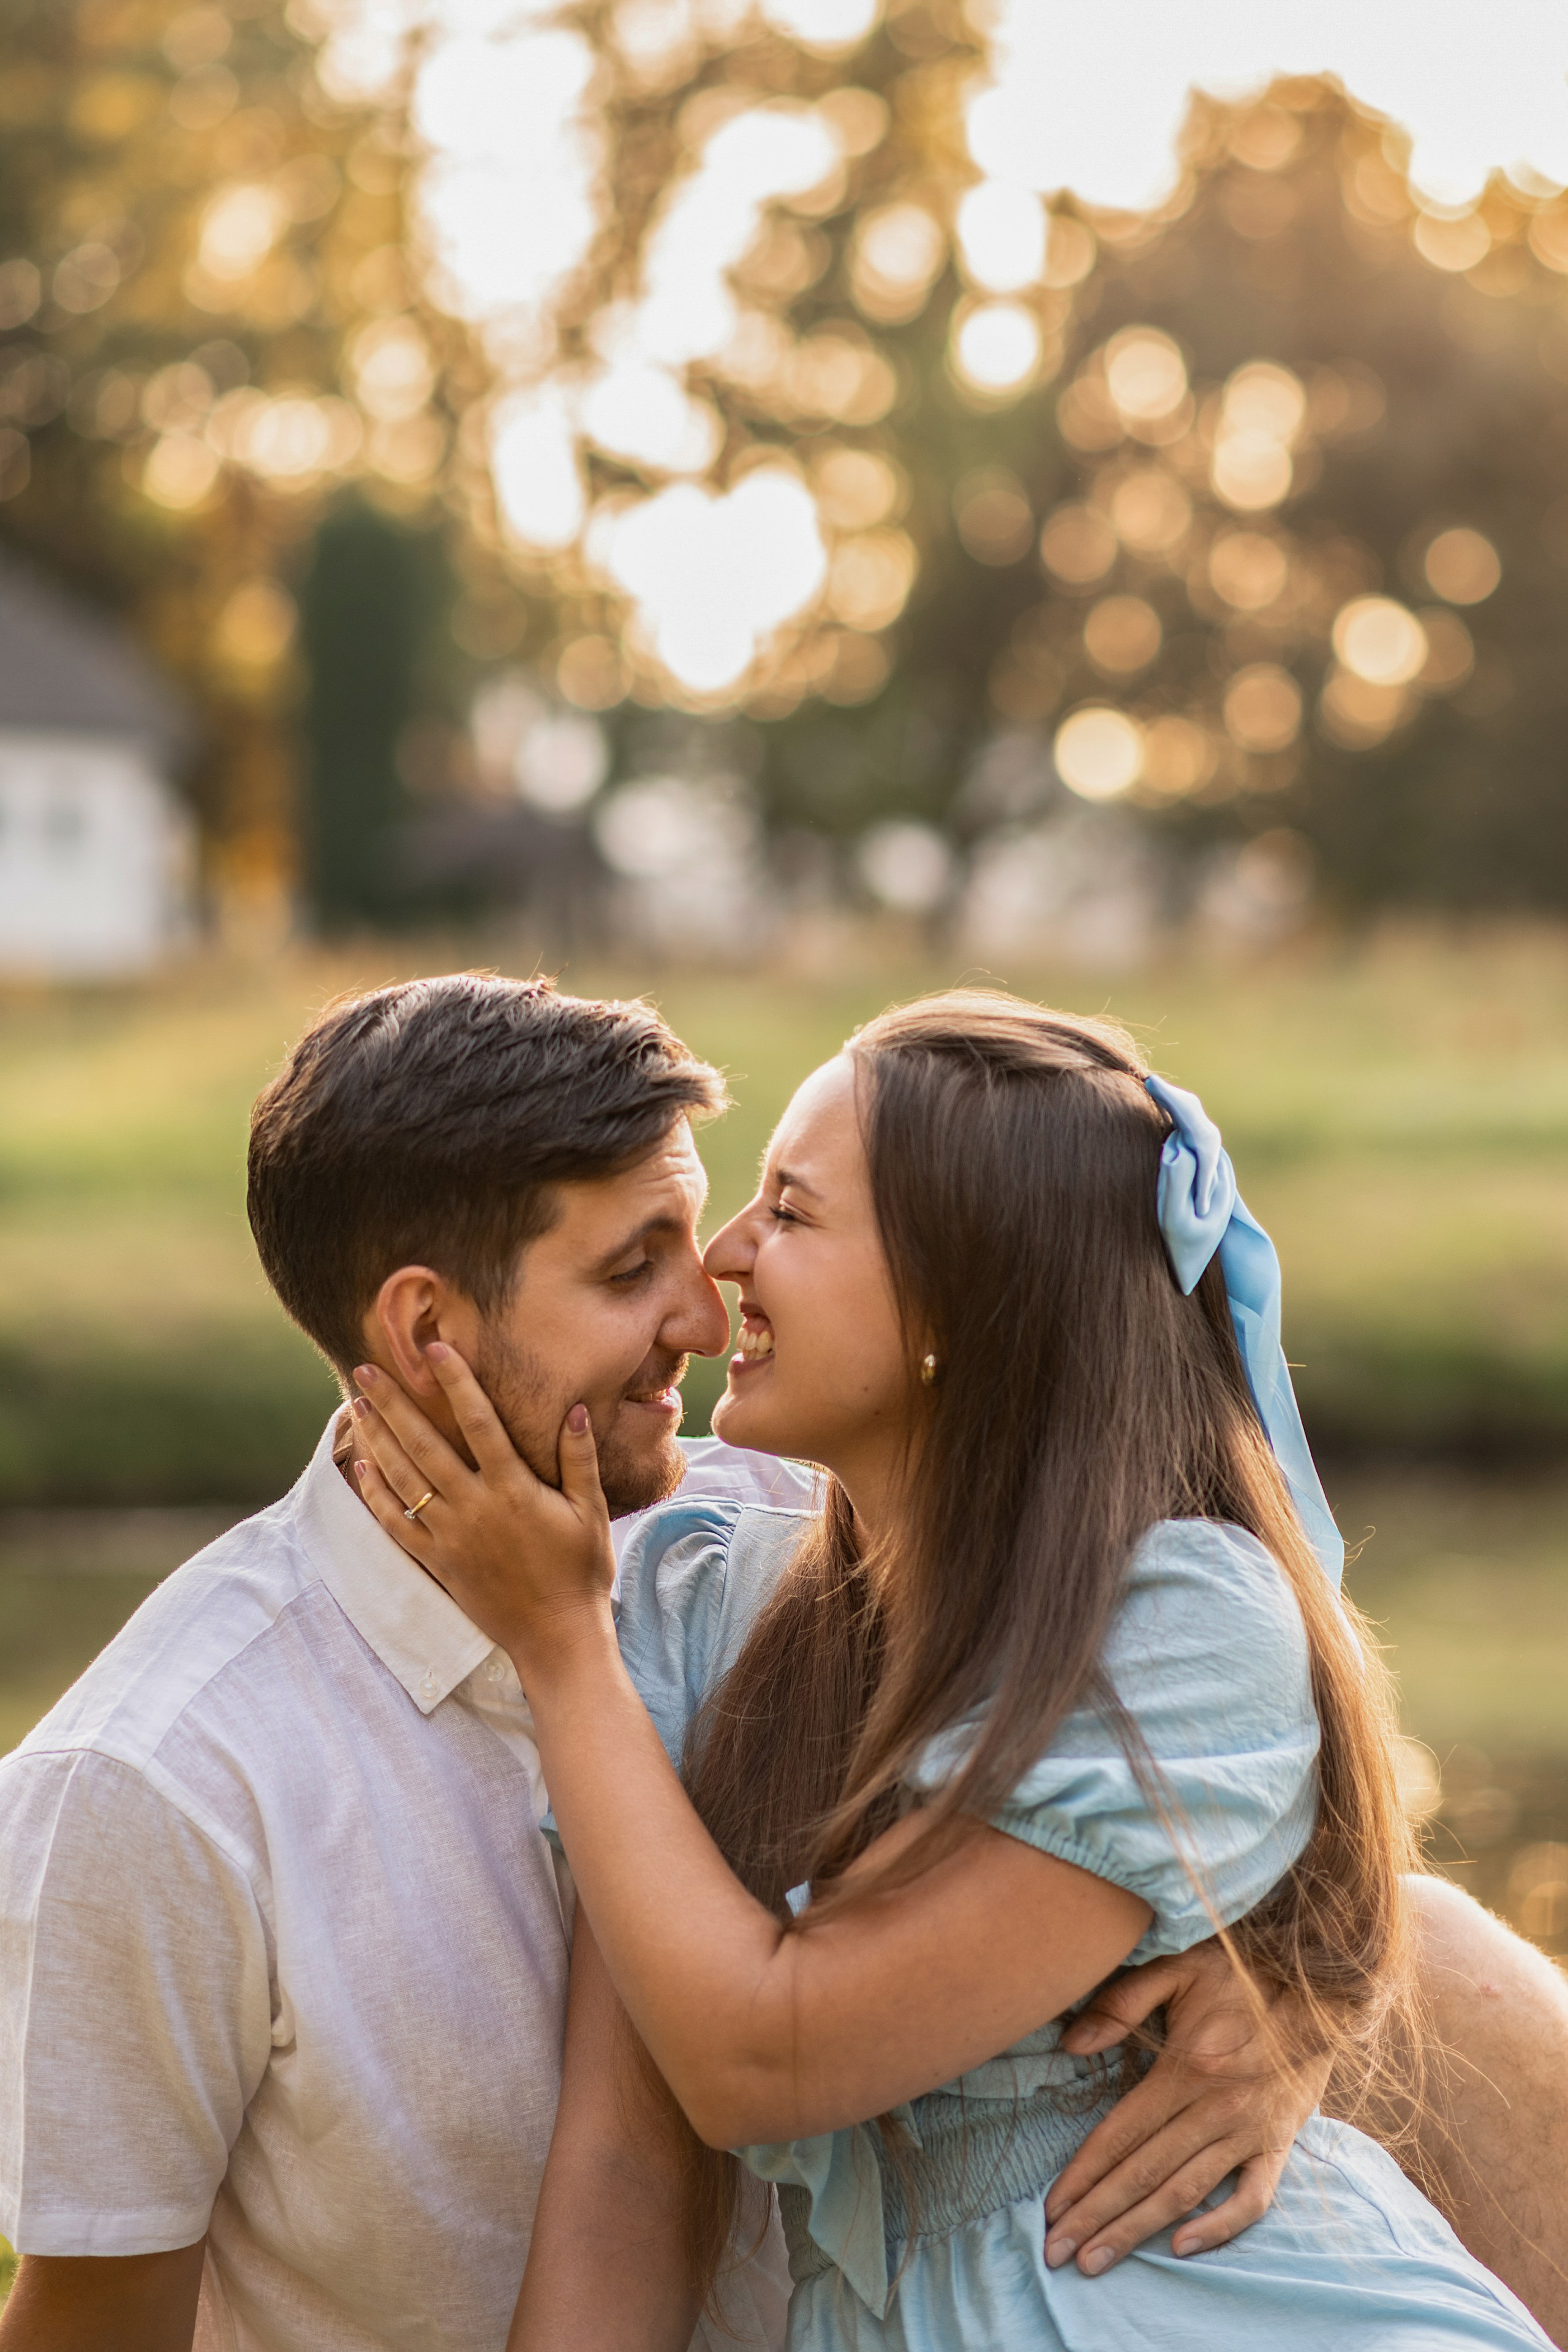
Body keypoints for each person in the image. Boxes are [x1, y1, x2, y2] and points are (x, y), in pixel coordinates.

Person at [0, 974, 1371, 2352]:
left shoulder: (775, 1536)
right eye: (626, 1270)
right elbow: (105, 2320)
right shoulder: (151, 1785)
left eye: (755, 1214)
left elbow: (1244, 1771)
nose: (710, 1314)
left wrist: (1295, 1986)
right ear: (427, 1332)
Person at [348, 990, 1568, 2351]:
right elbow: (623, 2169)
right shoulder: (696, 1613)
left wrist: (557, 1644)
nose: (725, 1264)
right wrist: (583, 1637)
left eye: (791, 1215)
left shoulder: (1180, 1622)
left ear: (963, 1298)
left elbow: (767, 2063)